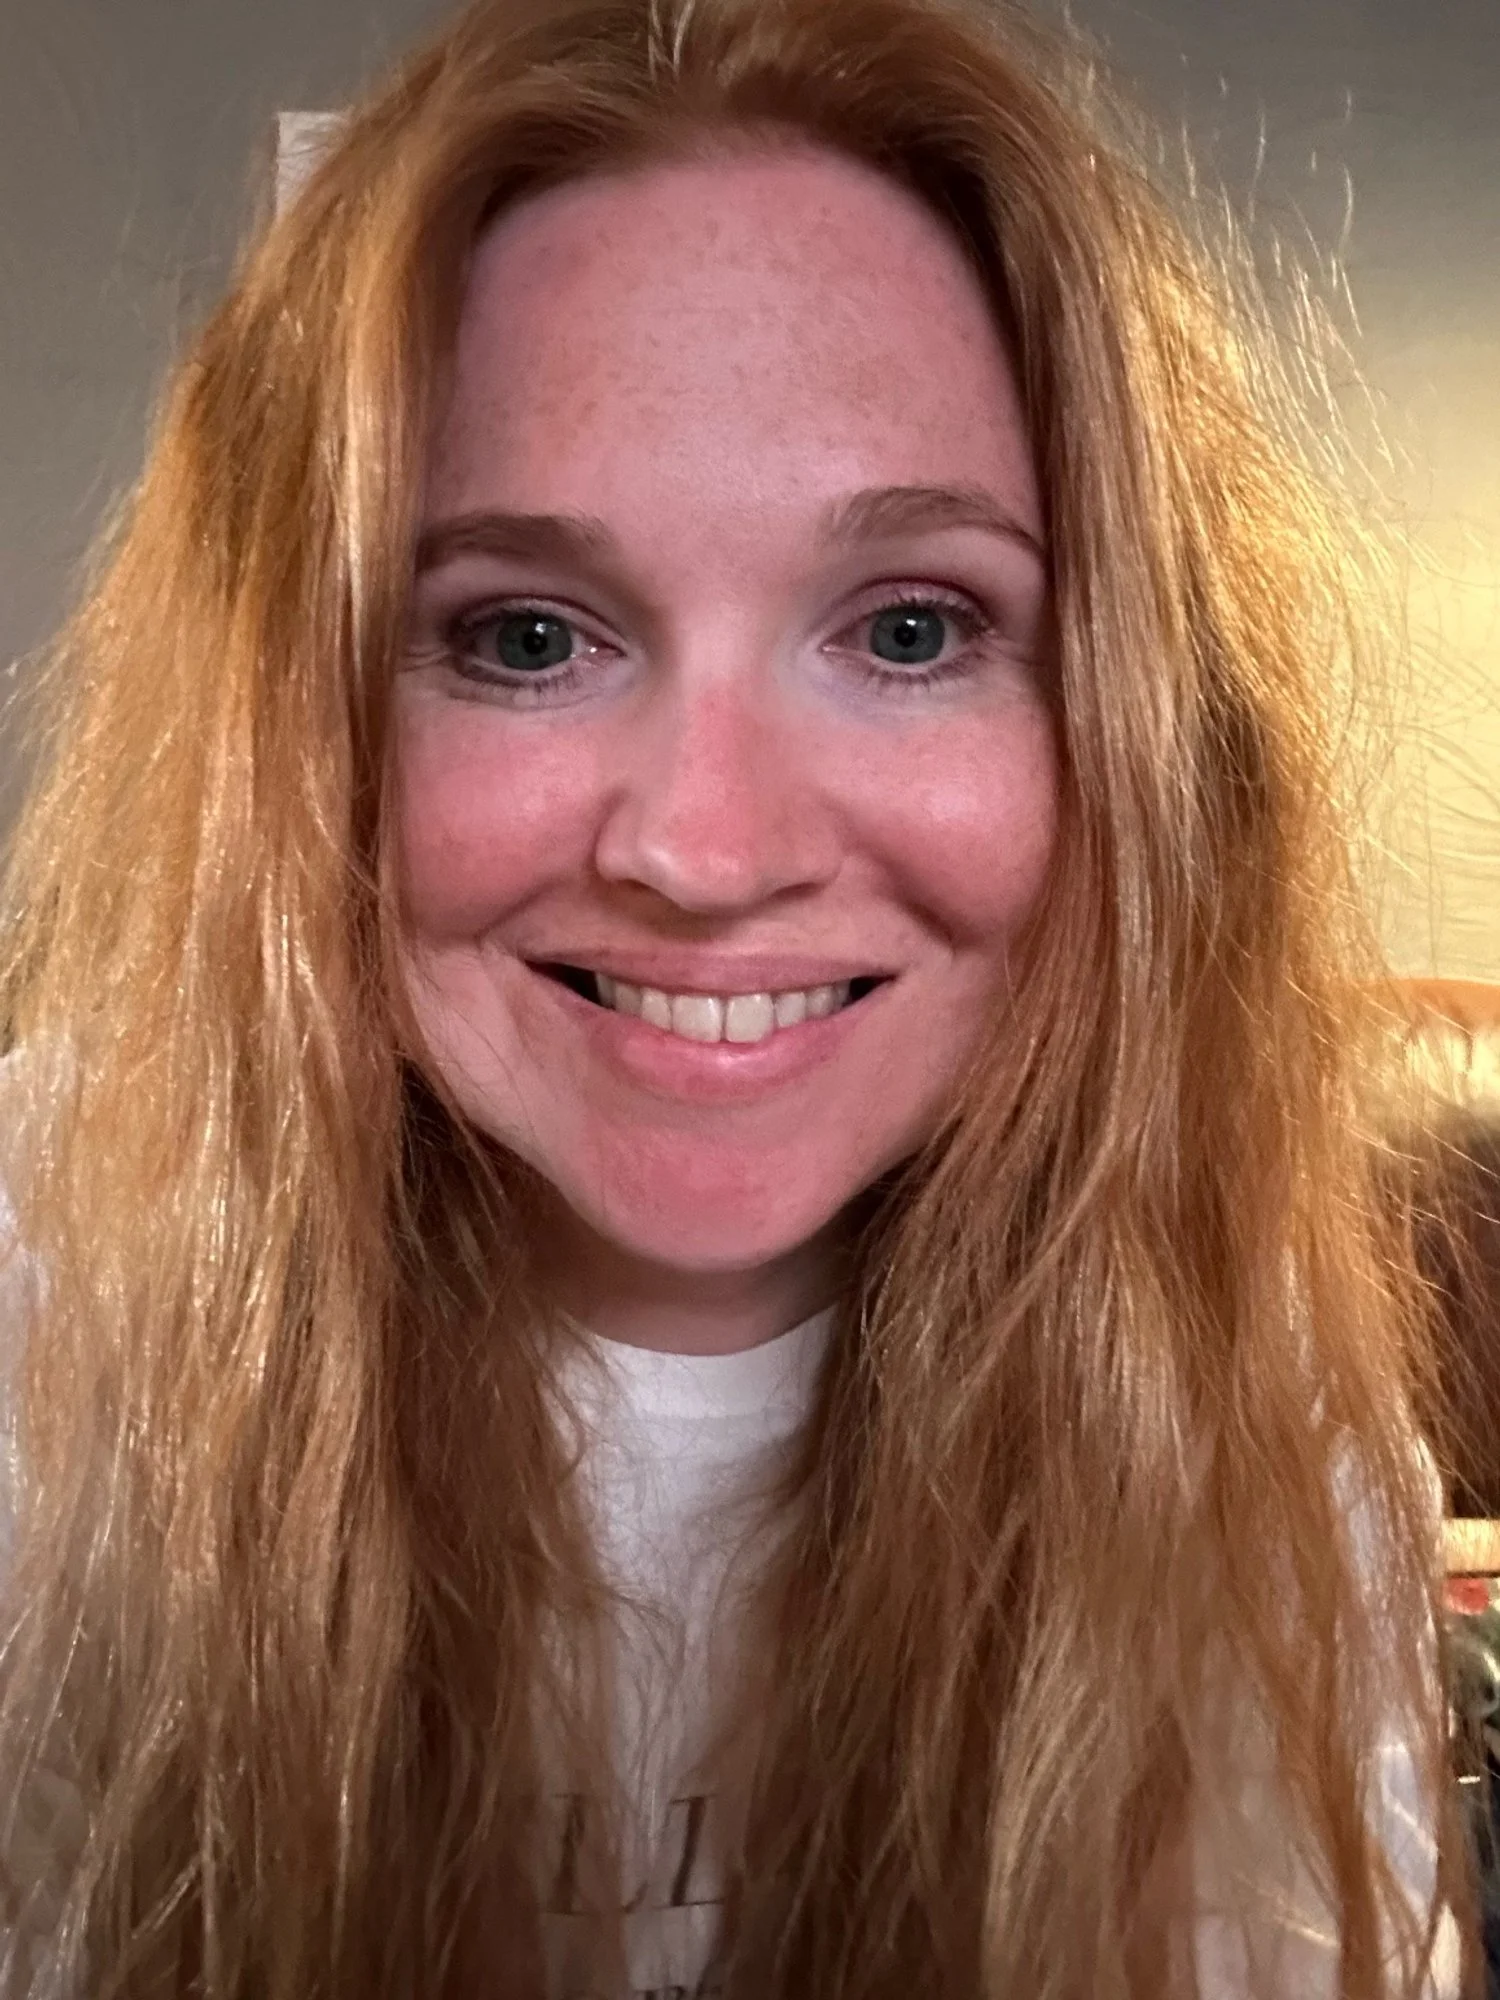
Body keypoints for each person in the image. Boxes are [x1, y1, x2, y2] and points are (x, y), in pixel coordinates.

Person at [0, 0, 1472, 1993]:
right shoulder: (48, 1314)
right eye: (527, 638)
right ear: (303, 729)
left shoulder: (1251, 1402)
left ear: (1135, 726)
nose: (704, 850)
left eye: (911, 628)